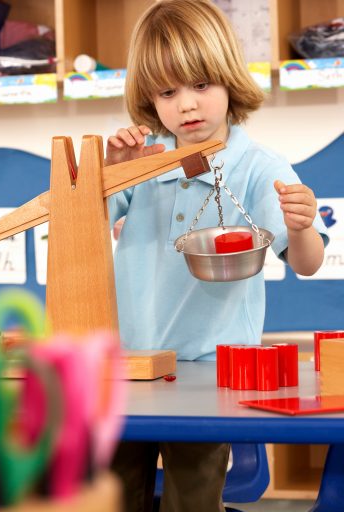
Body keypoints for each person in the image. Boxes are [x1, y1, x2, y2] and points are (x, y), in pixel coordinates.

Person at [105, 1, 328, 511]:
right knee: (114, 492)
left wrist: (301, 225)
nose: (187, 106)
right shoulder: (144, 160)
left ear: (229, 81)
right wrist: (111, 172)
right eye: (168, 91)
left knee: (194, 496)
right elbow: (83, 224)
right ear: (148, 99)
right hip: (128, 365)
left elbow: (308, 262)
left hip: (207, 372)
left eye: (201, 85)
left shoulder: (257, 166)